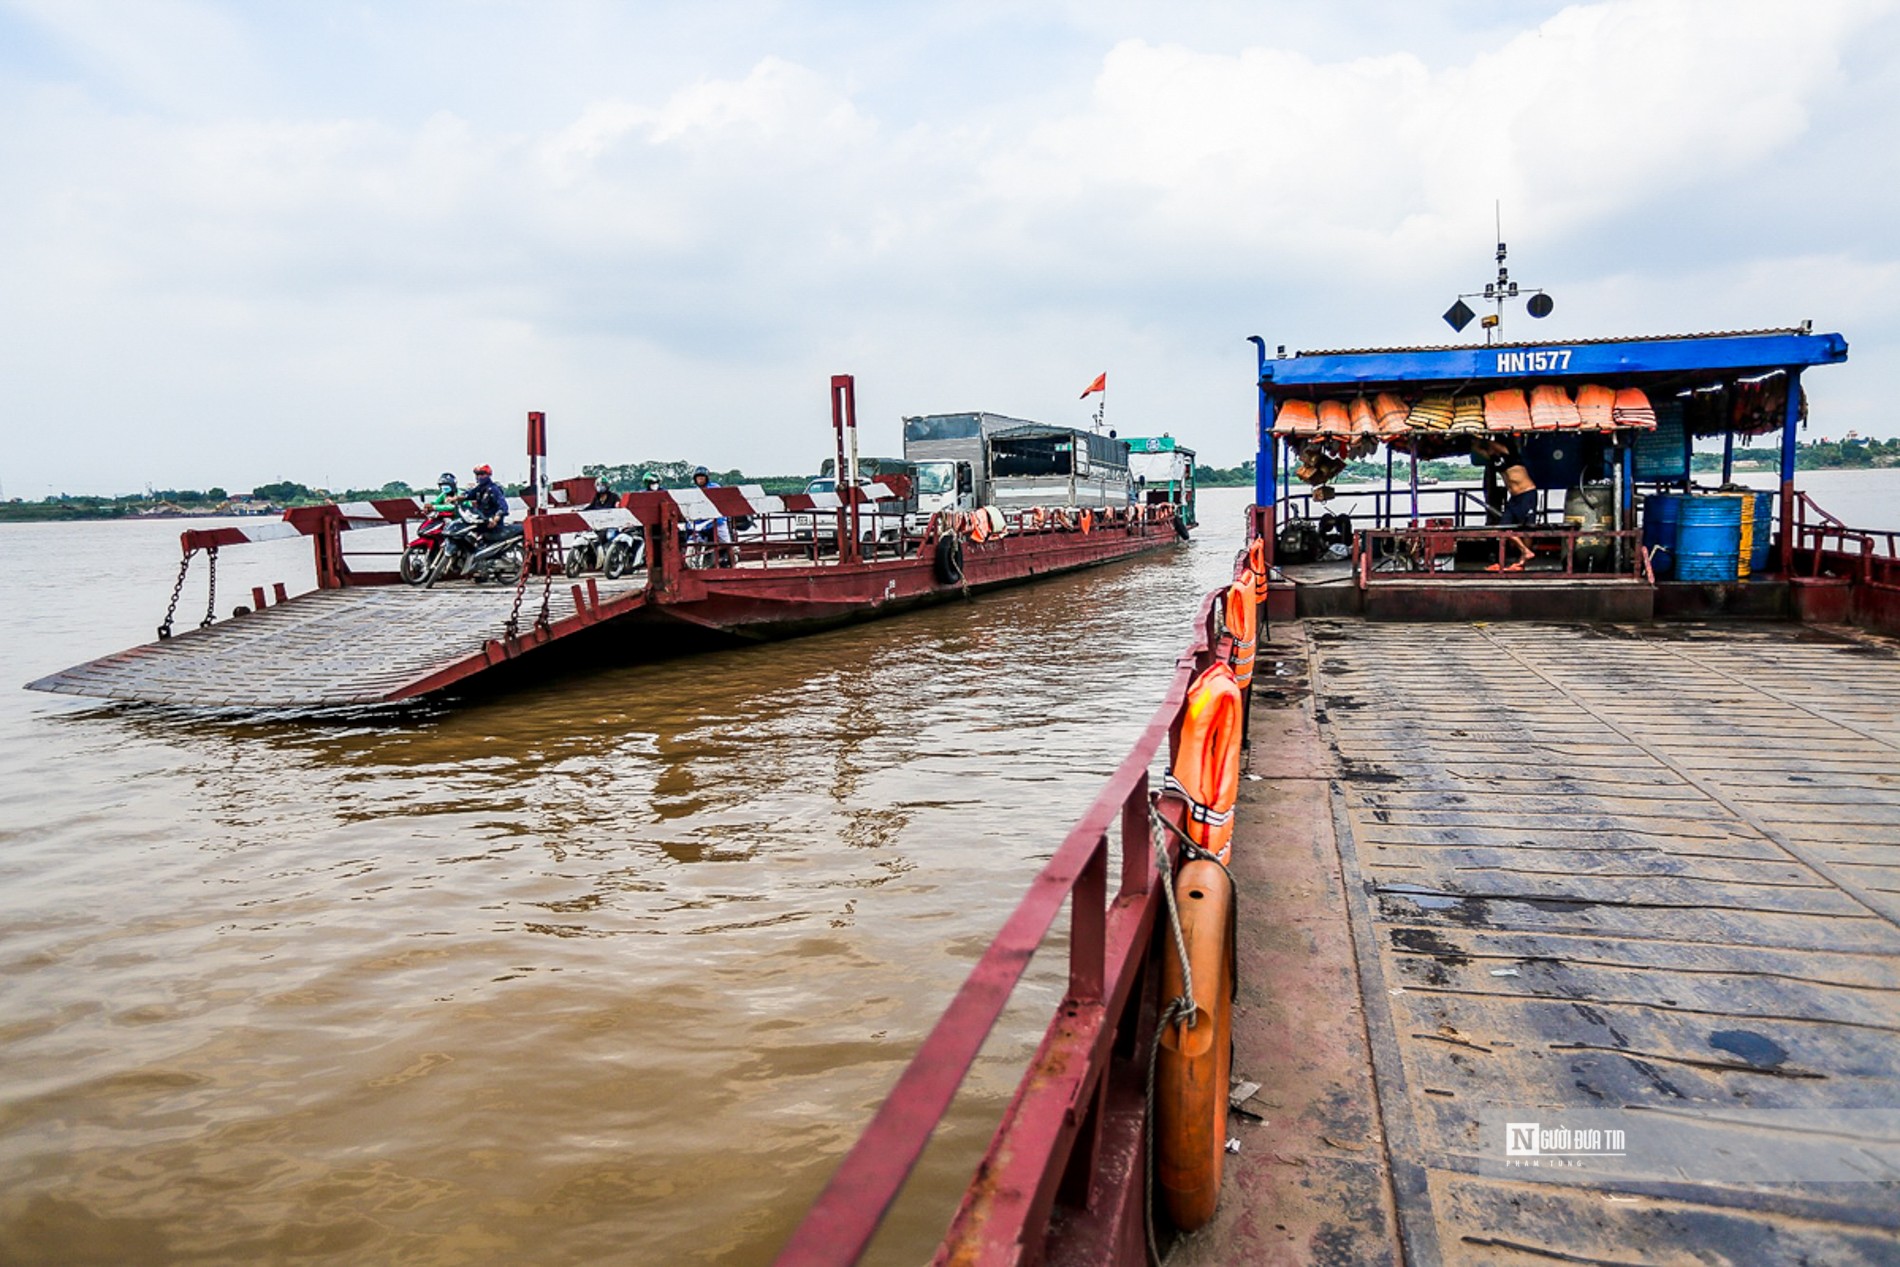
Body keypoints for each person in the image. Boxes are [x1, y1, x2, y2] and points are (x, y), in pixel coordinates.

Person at [1474, 438, 1537, 570]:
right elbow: (1477, 449)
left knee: (1527, 528)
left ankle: (1522, 562)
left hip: (1527, 494)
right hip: (1514, 498)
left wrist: (1484, 437)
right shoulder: (1495, 460)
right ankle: (1525, 551)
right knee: (1502, 527)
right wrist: (1474, 439)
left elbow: (1493, 445)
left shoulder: (1511, 455)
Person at [691, 465, 734, 566]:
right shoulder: (693, 491)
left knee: (726, 542)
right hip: (701, 521)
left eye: (702, 477)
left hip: (717, 520)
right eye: (698, 478)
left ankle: (732, 561)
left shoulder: (714, 487)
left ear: (706, 478)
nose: (700, 479)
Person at [468, 463, 510, 543]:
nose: (479, 477)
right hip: (481, 522)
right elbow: (468, 495)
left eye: (482, 474)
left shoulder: (494, 489)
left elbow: (503, 507)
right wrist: (455, 498)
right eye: (477, 474)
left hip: (492, 525)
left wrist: (495, 519)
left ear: (488, 475)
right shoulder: (479, 489)